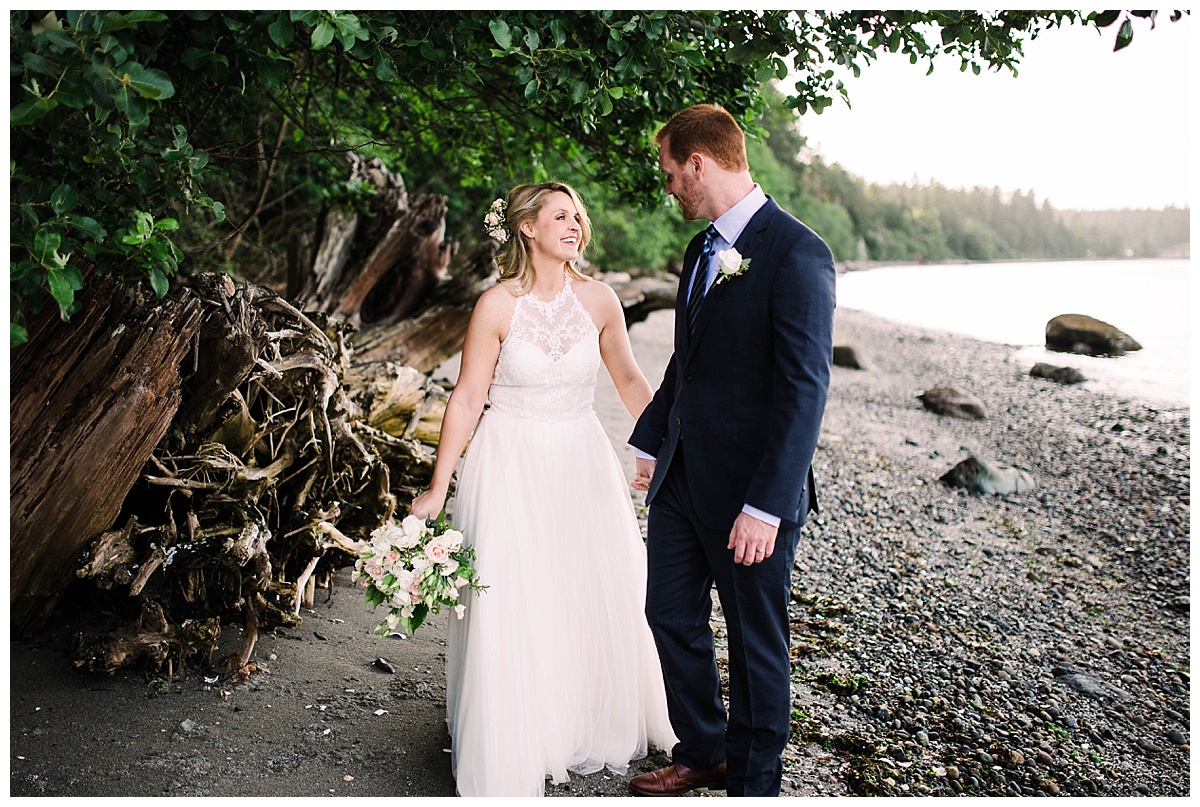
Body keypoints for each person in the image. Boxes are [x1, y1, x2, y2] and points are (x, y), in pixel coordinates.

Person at [409, 181, 677, 797]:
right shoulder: (496, 306)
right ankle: (519, 733)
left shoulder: (601, 300)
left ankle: (577, 719)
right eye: (560, 215)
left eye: (578, 215)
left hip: (581, 459)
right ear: (527, 228)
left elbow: (632, 382)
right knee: (517, 598)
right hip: (509, 461)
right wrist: (436, 484)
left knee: (584, 587)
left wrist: (664, 450)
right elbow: (469, 396)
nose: (575, 224)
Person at [627, 104, 836, 797]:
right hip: (683, 482)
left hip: (751, 495)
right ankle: (705, 749)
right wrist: (654, 438)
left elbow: (804, 390)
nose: (668, 190)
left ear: (699, 164)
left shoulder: (797, 251)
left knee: (754, 647)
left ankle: (753, 783)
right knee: (668, 614)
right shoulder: (701, 250)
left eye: (670, 175)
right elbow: (687, 366)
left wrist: (767, 506)